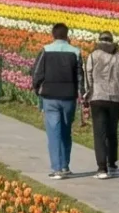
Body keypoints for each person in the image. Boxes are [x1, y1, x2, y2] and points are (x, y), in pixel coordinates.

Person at [29, 22, 83, 179]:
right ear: (67, 35)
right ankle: (65, 165)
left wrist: (37, 88)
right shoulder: (76, 52)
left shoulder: (46, 50)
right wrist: (81, 93)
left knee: (54, 132)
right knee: (66, 131)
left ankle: (57, 168)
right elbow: (80, 76)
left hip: (50, 96)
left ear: (53, 35)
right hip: (69, 97)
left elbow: (37, 73)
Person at [83, 32, 119, 178]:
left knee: (99, 133)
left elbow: (88, 75)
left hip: (97, 97)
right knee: (112, 130)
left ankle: (102, 168)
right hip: (116, 97)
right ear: (112, 41)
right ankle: (112, 162)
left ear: (99, 41)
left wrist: (86, 93)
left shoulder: (93, 55)